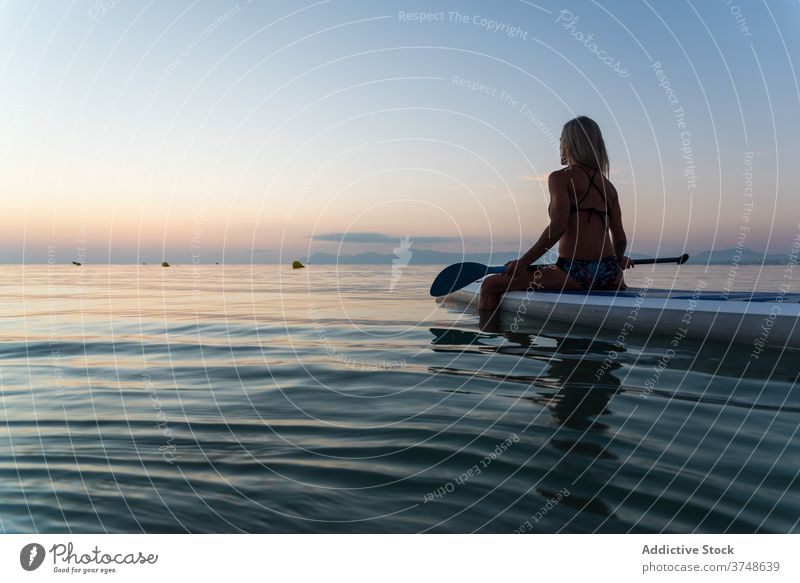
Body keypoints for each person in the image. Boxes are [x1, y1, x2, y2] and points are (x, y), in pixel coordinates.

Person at [478, 116, 633, 317]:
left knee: (490, 285)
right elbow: (620, 238)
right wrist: (619, 260)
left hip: (575, 272)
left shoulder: (561, 178)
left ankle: (487, 339)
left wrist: (524, 262)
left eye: (561, 140)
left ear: (571, 143)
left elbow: (558, 227)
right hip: (610, 273)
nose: (560, 145)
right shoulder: (609, 187)